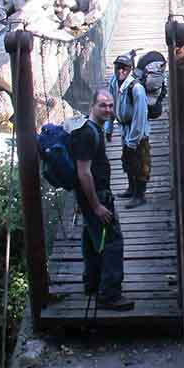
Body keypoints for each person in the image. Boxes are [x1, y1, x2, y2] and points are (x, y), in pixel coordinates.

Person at [69, 87, 133, 311]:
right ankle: (109, 294)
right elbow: (83, 172)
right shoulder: (88, 134)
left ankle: (92, 283)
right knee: (113, 242)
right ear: (92, 106)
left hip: (90, 196)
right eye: (103, 105)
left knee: (91, 237)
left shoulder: (93, 128)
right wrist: (96, 205)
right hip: (97, 198)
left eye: (110, 105)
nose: (108, 109)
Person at [107, 52, 151, 208]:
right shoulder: (114, 83)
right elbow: (111, 106)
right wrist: (109, 127)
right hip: (125, 129)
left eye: (124, 68)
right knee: (127, 160)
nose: (120, 71)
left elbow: (140, 117)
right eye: (118, 68)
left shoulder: (136, 89)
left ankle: (140, 196)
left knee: (140, 163)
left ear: (130, 70)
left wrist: (133, 140)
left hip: (138, 133)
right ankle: (131, 189)